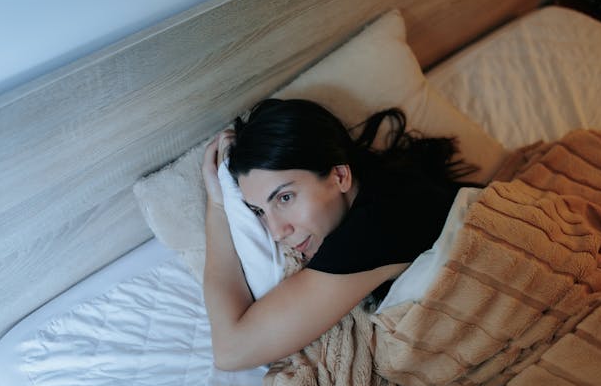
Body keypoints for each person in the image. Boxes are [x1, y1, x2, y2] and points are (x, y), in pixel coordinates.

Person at [201, 98, 476, 371]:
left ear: (340, 176)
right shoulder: (384, 187)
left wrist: (216, 206)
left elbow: (231, 350)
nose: (276, 232)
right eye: (258, 211)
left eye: (285, 198)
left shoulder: (372, 229)